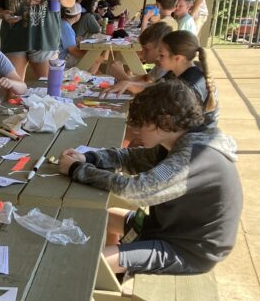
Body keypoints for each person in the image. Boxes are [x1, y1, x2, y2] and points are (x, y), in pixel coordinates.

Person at [58, 79, 241, 276]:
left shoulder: (192, 157)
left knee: (86, 261)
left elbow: (136, 190)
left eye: (142, 124)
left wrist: (78, 169)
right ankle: (112, 277)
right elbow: (132, 158)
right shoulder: (180, 141)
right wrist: (89, 157)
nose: (136, 131)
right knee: (92, 216)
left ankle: (103, 283)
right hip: (166, 229)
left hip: (187, 251)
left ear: (165, 123)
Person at [157, 30, 218, 124]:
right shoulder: (179, 72)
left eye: (162, 55)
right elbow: (156, 89)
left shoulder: (187, 87)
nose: (158, 58)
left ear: (178, 58)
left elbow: (177, 124)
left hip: (193, 135)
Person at [108, 21, 172, 94]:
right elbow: (145, 80)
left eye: (146, 49)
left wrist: (121, 75)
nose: (142, 53)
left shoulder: (166, 68)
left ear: (161, 49)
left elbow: (148, 93)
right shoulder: (159, 66)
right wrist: (129, 77)